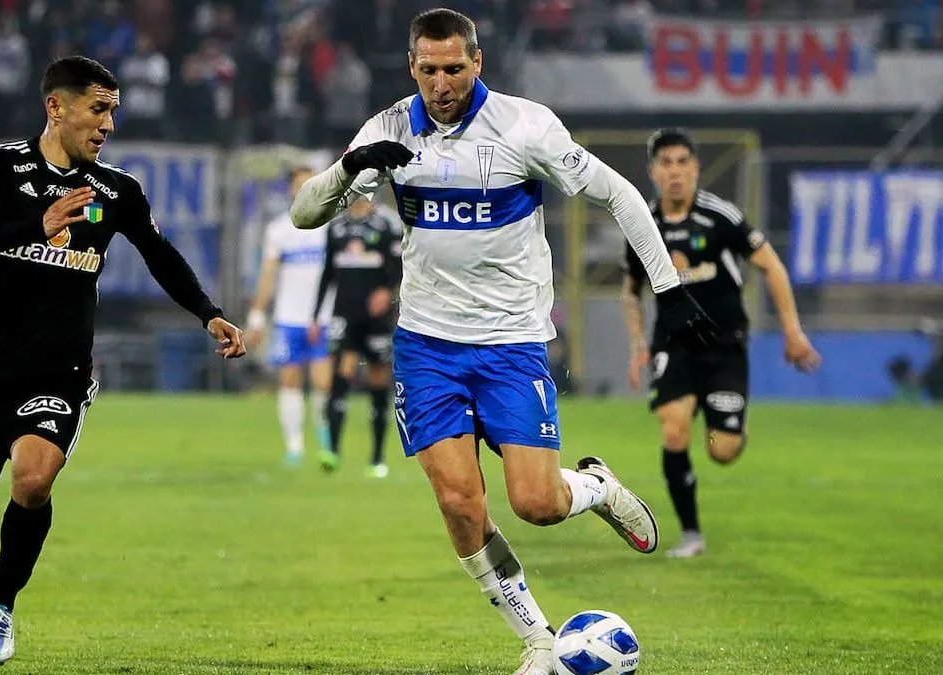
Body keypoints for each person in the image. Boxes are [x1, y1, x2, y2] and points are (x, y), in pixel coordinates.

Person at [289, 9, 715, 674]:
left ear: (477, 62)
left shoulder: (525, 126)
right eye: (428, 69)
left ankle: (597, 487)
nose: (441, 82)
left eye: (454, 68)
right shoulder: (390, 129)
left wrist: (668, 290)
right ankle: (538, 637)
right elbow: (304, 213)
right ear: (412, 67)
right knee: (460, 502)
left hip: (512, 341)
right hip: (426, 345)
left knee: (536, 503)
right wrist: (351, 168)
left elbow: (620, 193)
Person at [0, 55, 245, 669]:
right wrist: (33, 223)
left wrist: (208, 313)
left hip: (59, 368)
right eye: (98, 109)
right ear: (57, 107)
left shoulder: (116, 190)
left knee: (34, 478)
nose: (108, 125)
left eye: (113, 112)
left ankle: (2, 606)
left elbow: (160, 254)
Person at [621, 128, 821, 559]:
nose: (675, 172)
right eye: (666, 163)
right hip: (672, 345)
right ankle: (691, 535)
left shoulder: (721, 217)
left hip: (724, 345)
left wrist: (792, 332)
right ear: (653, 172)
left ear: (695, 168)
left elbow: (773, 266)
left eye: (682, 162)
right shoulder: (643, 224)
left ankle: (730, 424)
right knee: (674, 428)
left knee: (723, 451)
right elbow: (630, 289)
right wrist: (638, 345)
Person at [309, 196, 402, 477]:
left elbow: (400, 267)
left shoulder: (387, 224)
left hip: (377, 319)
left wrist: (388, 292)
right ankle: (332, 451)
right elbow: (328, 273)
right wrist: (315, 315)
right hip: (344, 314)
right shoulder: (336, 226)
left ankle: (376, 457)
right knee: (341, 376)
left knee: (378, 382)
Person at [246, 166, 333, 467]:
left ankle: (326, 440)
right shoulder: (280, 229)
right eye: (299, 185)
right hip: (288, 317)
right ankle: (294, 447)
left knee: (324, 383)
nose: (304, 189)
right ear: (291, 190)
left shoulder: (331, 224)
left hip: (324, 317)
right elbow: (268, 275)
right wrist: (257, 317)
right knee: (290, 381)